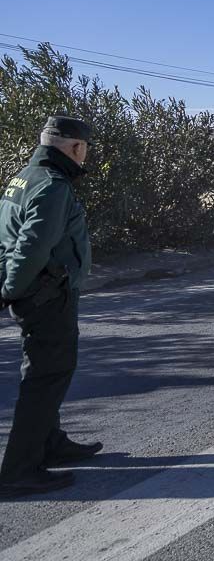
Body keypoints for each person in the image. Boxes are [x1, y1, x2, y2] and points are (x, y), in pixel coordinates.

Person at [0, 116, 101, 497]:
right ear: (76, 147)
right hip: (46, 294)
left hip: (35, 291)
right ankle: (19, 469)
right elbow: (32, 245)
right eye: (85, 149)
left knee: (44, 369)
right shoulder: (54, 185)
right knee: (47, 376)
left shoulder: (23, 177)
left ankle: (51, 442)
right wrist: (11, 289)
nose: (85, 156)